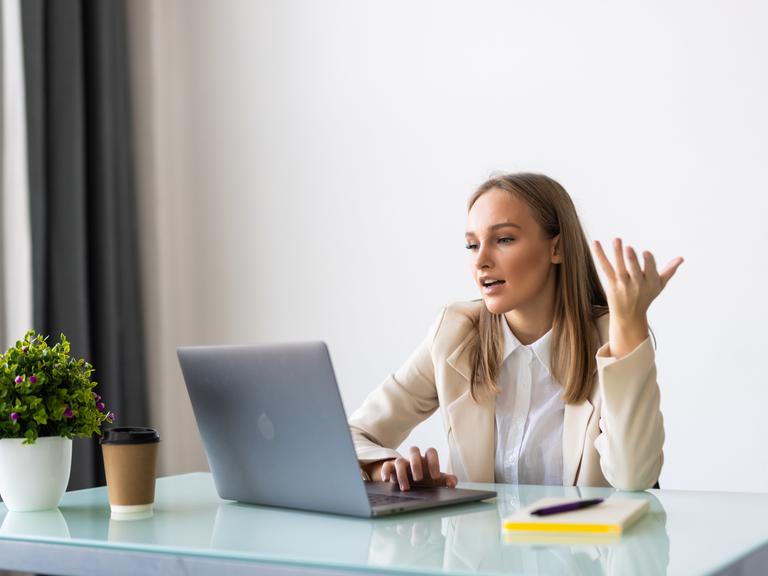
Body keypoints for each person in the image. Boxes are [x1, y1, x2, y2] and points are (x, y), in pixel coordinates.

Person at [348, 172, 683, 491]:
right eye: (472, 245)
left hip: (584, 535)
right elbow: (352, 434)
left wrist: (629, 324)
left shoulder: (612, 338)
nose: (481, 260)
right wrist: (385, 468)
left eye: (504, 239)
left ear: (557, 249)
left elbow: (634, 477)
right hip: (482, 536)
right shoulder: (454, 333)